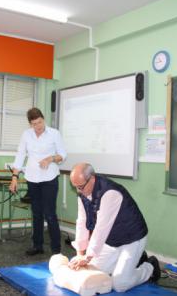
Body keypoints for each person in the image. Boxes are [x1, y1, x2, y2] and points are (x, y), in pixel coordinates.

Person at [68, 163, 161, 292]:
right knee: (91, 270)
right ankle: (133, 261)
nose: (79, 191)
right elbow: (82, 222)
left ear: (92, 178)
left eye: (80, 187)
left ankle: (149, 267)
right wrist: (80, 254)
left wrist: (87, 256)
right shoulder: (83, 193)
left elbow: (101, 229)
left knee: (120, 284)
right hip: (112, 240)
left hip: (132, 239)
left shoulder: (110, 192)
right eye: (75, 187)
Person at [9, 107, 67, 256]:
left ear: (43, 119)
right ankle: (37, 245)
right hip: (32, 178)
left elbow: (63, 155)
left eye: (40, 122)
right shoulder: (26, 135)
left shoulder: (54, 133)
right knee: (36, 213)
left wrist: (50, 158)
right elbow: (20, 156)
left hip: (50, 178)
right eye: (34, 124)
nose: (38, 126)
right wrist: (14, 178)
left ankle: (56, 249)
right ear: (30, 124)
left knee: (50, 214)